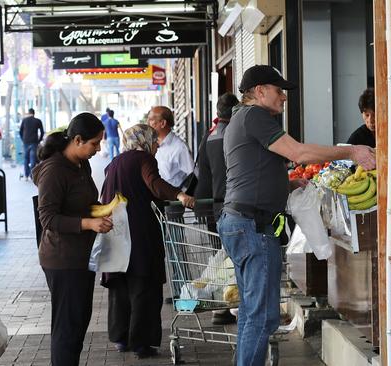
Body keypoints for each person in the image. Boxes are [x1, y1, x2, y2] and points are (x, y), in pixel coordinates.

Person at [218, 65, 375, 365]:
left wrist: (287, 184)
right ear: (260, 91)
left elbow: (251, 171)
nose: (284, 98)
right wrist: (352, 152)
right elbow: (299, 154)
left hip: (241, 222)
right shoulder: (255, 116)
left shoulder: (241, 119)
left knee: (253, 314)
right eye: (279, 91)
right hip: (252, 227)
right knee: (262, 317)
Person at [100, 124, 195, 358]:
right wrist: (179, 194)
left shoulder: (115, 163)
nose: (156, 145)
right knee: (143, 284)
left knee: (120, 285)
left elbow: (105, 193)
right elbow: (154, 183)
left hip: (115, 230)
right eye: (154, 141)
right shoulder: (143, 158)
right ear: (144, 141)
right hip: (139, 231)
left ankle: (121, 338)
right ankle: (141, 343)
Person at [31, 113, 112, 366]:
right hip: (62, 258)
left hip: (81, 254)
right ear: (77, 140)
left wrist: (103, 209)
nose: (98, 149)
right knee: (67, 325)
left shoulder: (81, 164)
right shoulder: (54, 170)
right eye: (94, 143)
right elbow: (48, 218)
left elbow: (83, 203)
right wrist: (89, 223)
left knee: (78, 320)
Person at [193, 92, 240, 326]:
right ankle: (228, 307)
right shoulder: (236, 136)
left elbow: (199, 172)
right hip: (231, 204)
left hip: (212, 206)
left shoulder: (209, 136)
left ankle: (222, 308)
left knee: (219, 258)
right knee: (231, 259)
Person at [147, 106, 194, 187]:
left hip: (174, 197)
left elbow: (193, 175)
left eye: (151, 120)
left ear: (163, 123)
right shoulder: (151, 144)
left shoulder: (179, 148)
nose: (147, 123)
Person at [20, 108, 45, 179]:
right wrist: (39, 140)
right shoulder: (38, 121)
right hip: (34, 142)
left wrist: (23, 139)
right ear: (34, 113)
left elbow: (20, 131)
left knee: (25, 159)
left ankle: (26, 175)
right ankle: (32, 175)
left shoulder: (24, 120)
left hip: (26, 142)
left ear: (28, 113)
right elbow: (42, 132)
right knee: (33, 158)